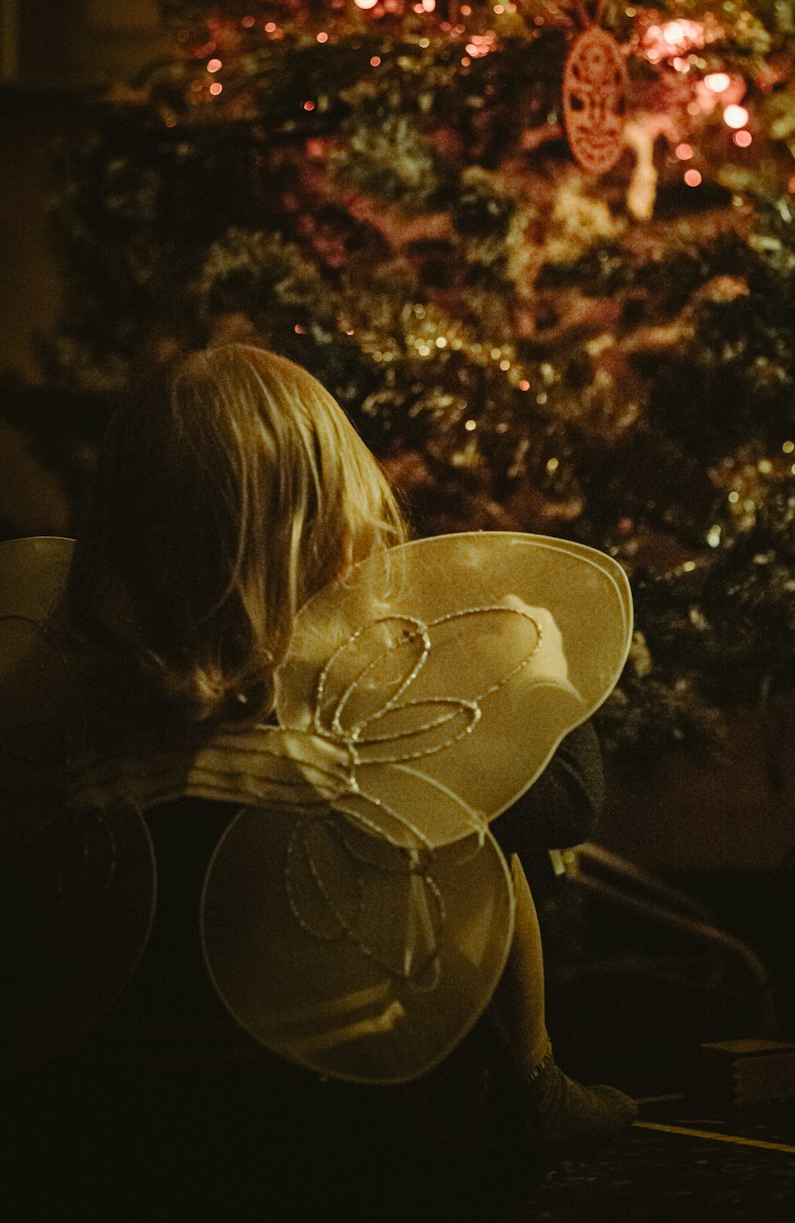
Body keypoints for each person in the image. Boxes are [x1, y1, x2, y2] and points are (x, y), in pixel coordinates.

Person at [2, 343, 635, 1217]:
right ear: (321, 521)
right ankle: (537, 1084)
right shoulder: (362, 710)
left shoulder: (68, 703)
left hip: (102, 1126)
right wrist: (543, 673)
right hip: (350, 1132)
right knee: (483, 831)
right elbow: (568, 801)